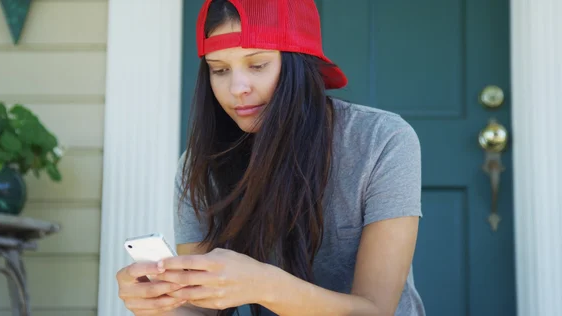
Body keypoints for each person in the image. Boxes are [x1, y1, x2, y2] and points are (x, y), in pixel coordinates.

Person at [116, 0, 425, 315]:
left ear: (299, 64)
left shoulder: (382, 140)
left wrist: (262, 284)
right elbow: (201, 310)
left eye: (257, 64)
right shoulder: (200, 165)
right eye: (219, 69)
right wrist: (159, 304)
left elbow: (374, 311)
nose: (237, 88)